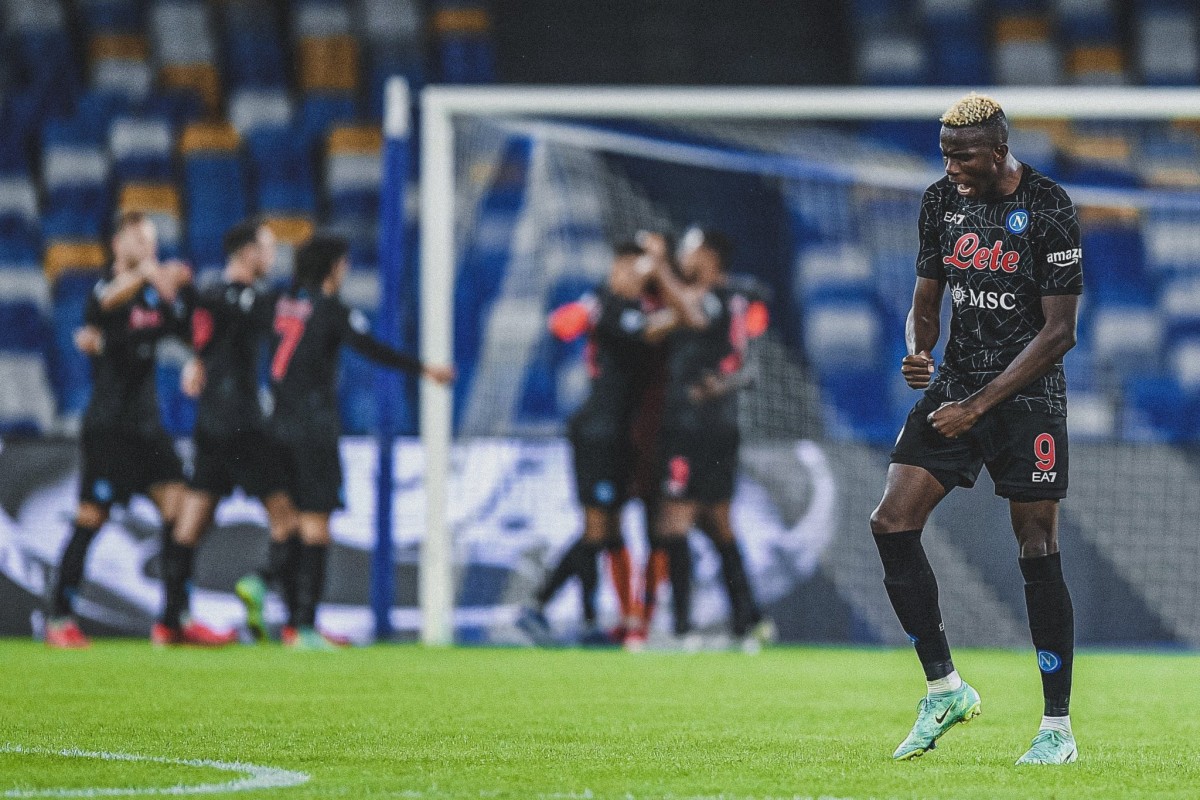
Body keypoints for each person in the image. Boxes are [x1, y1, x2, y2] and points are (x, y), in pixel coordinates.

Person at [870, 92, 1082, 764]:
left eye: (964, 156)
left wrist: (978, 406)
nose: (952, 167)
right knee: (891, 521)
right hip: (957, 385)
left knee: (1037, 548)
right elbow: (925, 299)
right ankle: (945, 689)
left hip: (1027, 396)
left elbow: (1060, 333)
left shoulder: (1048, 206)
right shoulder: (940, 202)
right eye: (945, 156)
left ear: (999, 149)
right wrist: (919, 348)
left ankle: (1056, 729)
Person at [267, 234, 454, 649]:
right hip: (313, 428)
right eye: (343, 263)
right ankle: (301, 624)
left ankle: (283, 612)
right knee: (316, 524)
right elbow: (371, 348)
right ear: (332, 267)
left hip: (275, 425)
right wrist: (425, 369)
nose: (346, 269)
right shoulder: (332, 310)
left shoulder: (280, 304)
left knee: (287, 522)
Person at [44, 212, 196, 648]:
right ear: (117, 244)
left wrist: (175, 295)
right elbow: (104, 305)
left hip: (147, 428)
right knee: (91, 517)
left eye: (152, 240)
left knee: (180, 509)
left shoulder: (151, 298)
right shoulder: (103, 290)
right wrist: (150, 273)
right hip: (109, 426)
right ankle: (58, 618)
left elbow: (188, 330)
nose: (149, 247)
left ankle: (172, 621)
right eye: (139, 239)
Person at [159, 218, 297, 645]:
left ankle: (170, 621)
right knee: (288, 518)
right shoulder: (257, 299)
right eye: (267, 247)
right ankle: (277, 600)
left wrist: (196, 359)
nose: (272, 256)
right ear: (247, 252)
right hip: (246, 425)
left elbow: (193, 332)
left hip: (211, 424)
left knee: (190, 525)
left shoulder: (208, 295)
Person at [517, 242, 658, 645]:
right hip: (599, 432)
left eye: (634, 270)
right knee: (598, 530)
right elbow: (561, 325)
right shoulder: (612, 306)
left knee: (609, 532)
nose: (626, 276)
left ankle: (594, 618)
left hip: (618, 432)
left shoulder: (623, 305)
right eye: (622, 268)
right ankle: (539, 604)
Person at [640, 228, 769, 649]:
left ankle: (682, 628)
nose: (683, 256)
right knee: (718, 525)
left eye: (690, 250)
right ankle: (748, 621)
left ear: (710, 258)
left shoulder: (711, 298)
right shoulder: (728, 299)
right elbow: (655, 329)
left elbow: (693, 316)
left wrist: (659, 264)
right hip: (719, 427)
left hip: (693, 426)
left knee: (674, 522)